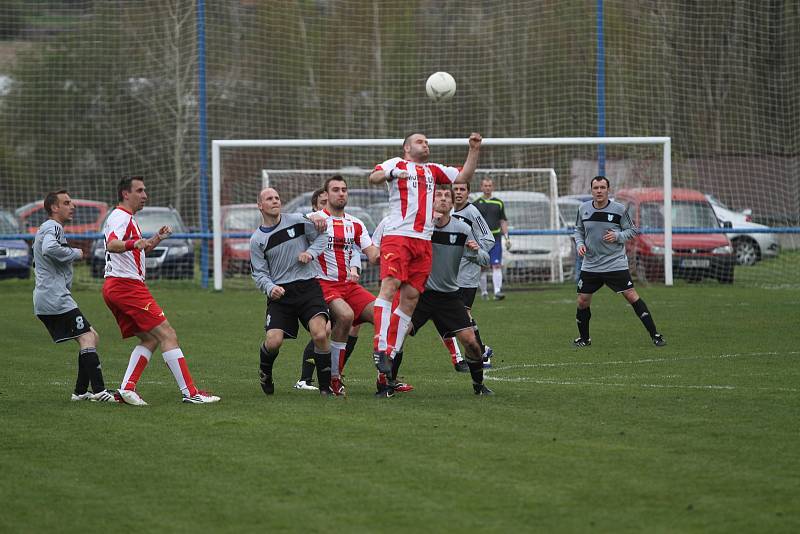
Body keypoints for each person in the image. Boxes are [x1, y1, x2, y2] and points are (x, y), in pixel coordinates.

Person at [368, 131, 482, 395]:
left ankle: (391, 355)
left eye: (428, 142)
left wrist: (474, 149)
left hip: (423, 240)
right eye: (420, 141)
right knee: (390, 285)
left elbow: (463, 176)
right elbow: (372, 177)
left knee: (410, 298)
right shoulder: (396, 163)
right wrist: (393, 175)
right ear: (407, 147)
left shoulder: (433, 170)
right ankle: (380, 347)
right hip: (399, 236)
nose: (426, 144)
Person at [103, 176, 220, 406]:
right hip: (126, 286)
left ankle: (127, 388)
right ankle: (191, 392)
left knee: (150, 338)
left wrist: (155, 239)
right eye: (140, 190)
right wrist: (133, 243)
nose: (145, 195)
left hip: (117, 286)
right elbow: (112, 244)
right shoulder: (120, 217)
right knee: (167, 334)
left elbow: (136, 250)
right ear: (126, 194)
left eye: (145, 190)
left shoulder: (127, 218)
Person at [382, 187, 493, 396]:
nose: (443, 199)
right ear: (431, 202)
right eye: (438, 196)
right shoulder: (420, 228)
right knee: (397, 336)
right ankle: (388, 384)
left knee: (472, 342)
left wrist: (475, 251)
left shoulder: (462, 229)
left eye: (447, 196)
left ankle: (479, 386)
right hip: (419, 294)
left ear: (452, 204)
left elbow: (485, 259)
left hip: (449, 297)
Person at [33, 190, 116, 402]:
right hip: (55, 298)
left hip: (51, 296)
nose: (73, 206)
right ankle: (99, 391)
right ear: (54, 207)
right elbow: (49, 248)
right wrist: (75, 253)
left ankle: (80, 392)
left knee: (91, 336)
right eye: (67, 203)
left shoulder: (49, 227)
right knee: (87, 337)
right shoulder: (53, 226)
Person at [250, 187, 333, 396]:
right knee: (273, 341)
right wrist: (271, 288)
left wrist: (311, 253)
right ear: (260, 205)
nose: (275, 201)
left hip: (308, 287)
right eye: (269, 198)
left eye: (277, 197)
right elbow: (259, 273)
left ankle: (325, 388)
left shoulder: (297, 220)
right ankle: (265, 372)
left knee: (320, 334)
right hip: (281, 294)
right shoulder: (257, 240)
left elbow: (323, 236)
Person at [573, 176, 666, 347]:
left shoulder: (619, 209)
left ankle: (655, 335)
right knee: (582, 301)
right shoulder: (583, 209)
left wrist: (618, 236)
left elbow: (632, 230)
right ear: (591, 190)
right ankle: (585, 339)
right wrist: (579, 243)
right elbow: (578, 231)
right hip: (591, 263)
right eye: (596, 188)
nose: (599, 191)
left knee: (631, 296)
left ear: (608, 190)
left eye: (602, 187)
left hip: (614, 262)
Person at [308, 176, 380, 396]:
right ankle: (334, 377)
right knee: (346, 316)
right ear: (326, 195)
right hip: (323, 284)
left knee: (383, 316)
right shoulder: (313, 220)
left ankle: (387, 378)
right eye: (336, 190)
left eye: (344, 190)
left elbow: (373, 255)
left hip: (348, 286)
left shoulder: (355, 223)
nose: (341, 193)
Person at [450, 181, 496, 370]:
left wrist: (475, 250)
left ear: (468, 193)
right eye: (456, 189)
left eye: (462, 189)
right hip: (449, 273)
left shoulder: (472, 213)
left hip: (467, 274)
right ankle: (481, 351)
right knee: (459, 317)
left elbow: (488, 240)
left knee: (462, 315)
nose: (458, 193)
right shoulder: (446, 212)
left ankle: (479, 354)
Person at [474, 178, 509, 300]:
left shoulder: (499, 203)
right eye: (485, 185)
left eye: (489, 185)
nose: (487, 188)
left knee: (496, 265)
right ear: (481, 187)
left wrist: (507, 237)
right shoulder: (476, 204)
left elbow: (503, 220)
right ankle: (484, 292)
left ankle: (497, 292)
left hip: (496, 238)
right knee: (482, 267)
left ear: (492, 187)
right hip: (482, 240)